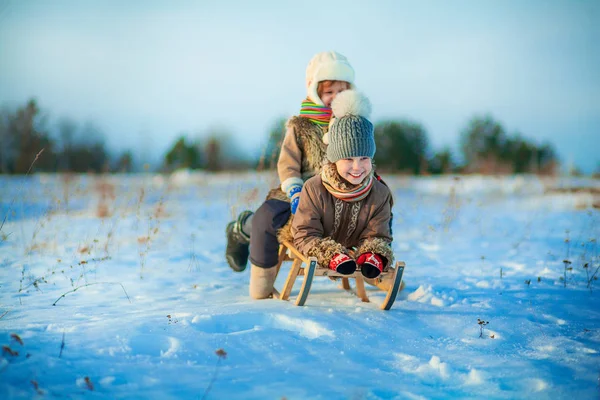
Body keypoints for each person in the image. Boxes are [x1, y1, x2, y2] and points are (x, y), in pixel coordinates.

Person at [250, 90, 396, 299]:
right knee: (268, 216)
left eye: (364, 158)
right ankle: (248, 240)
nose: (357, 167)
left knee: (382, 232)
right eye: (348, 159)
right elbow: (305, 231)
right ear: (334, 158)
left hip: (352, 238)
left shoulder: (378, 192)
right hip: (318, 234)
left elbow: (378, 232)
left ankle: (374, 264)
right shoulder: (314, 187)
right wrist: (329, 252)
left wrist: (373, 250)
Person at [225, 51, 355, 277]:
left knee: (378, 209)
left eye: (341, 91)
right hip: (300, 189)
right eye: (329, 92)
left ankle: (376, 262)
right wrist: (295, 190)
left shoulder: (352, 126)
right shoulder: (300, 126)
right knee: (269, 217)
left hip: (337, 195)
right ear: (315, 90)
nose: (335, 97)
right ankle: (244, 229)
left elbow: (362, 158)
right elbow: (288, 163)